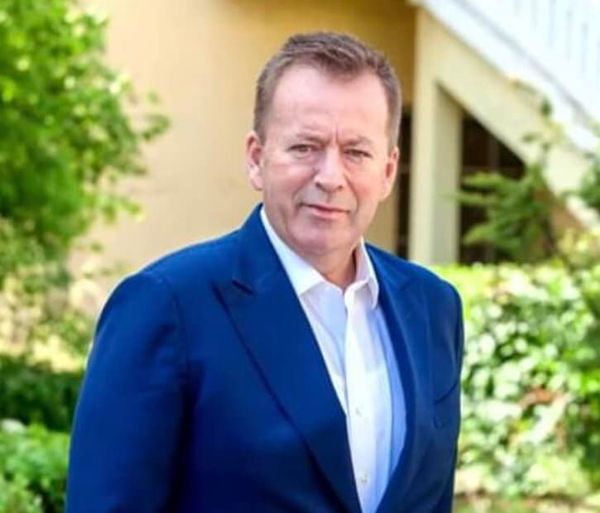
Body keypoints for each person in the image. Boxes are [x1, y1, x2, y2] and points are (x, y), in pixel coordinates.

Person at [66, 31, 464, 513]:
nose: (330, 177)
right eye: (305, 147)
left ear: (388, 170)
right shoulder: (165, 306)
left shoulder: (434, 308)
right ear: (256, 159)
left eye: (356, 152)